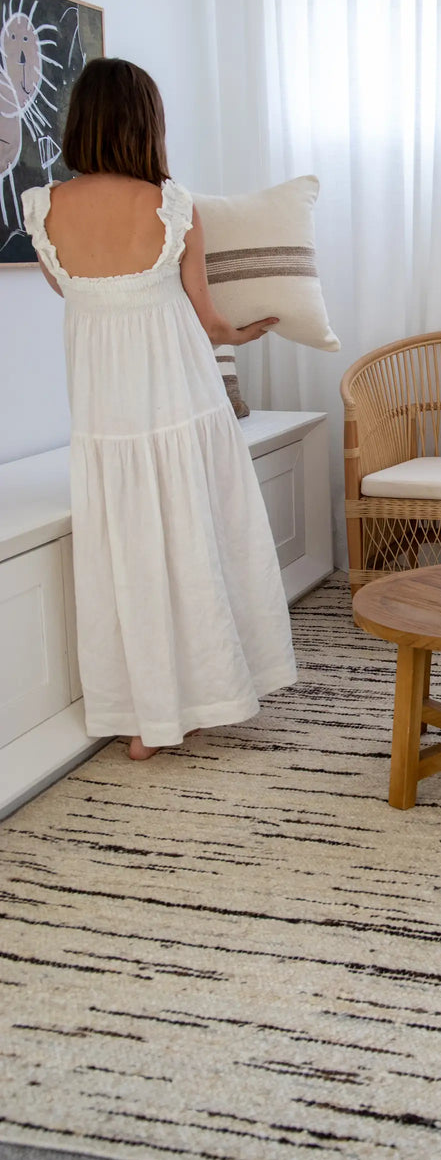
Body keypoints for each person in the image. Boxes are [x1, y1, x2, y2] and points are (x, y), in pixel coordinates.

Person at [21, 58, 297, 760]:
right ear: (146, 122)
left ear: (79, 120)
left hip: (105, 417)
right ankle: (209, 692)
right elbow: (207, 320)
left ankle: (144, 718)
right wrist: (245, 331)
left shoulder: (42, 206)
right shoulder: (174, 206)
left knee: (129, 559)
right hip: (180, 400)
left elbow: (70, 294)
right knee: (197, 543)